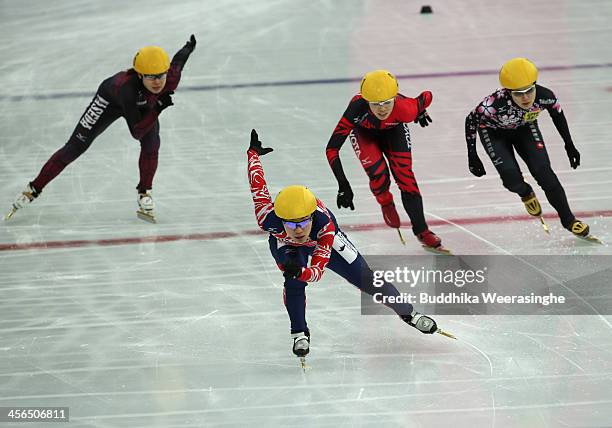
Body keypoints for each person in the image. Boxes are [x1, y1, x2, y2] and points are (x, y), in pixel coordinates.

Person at [247, 129, 439, 359]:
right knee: (293, 281)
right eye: (290, 223)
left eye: (303, 222)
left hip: (321, 240)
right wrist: (253, 154)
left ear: (312, 217)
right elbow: (258, 186)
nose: (298, 230)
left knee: (365, 277)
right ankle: (299, 333)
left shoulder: (325, 225)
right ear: (280, 219)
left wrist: (304, 270)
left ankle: (410, 314)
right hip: (285, 245)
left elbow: (317, 270)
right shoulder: (267, 217)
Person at [5, 35, 197, 223]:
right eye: (151, 77)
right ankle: (33, 188)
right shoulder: (127, 89)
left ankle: (144, 191)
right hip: (110, 100)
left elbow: (178, 62)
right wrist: (156, 109)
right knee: (76, 146)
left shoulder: (169, 79)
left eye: (160, 76)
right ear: (140, 75)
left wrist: (188, 48)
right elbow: (136, 131)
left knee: (152, 142)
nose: (157, 82)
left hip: (141, 104)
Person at [465, 57, 591, 238]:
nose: (525, 97)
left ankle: (569, 220)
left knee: (545, 173)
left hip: (524, 129)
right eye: (518, 93)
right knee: (511, 179)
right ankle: (526, 192)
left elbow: (558, 116)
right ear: (508, 92)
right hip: (493, 133)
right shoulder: (492, 104)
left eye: (529, 91)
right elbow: (470, 121)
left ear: (535, 86)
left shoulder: (544, 95)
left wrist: (569, 145)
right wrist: (472, 154)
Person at [325, 69, 447, 253]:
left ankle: (422, 230)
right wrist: (343, 184)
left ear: (395, 99)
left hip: (394, 131)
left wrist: (420, 110)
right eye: (375, 104)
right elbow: (332, 149)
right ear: (366, 102)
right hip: (364, 133)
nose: (382, 109)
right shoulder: (356, 110)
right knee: (378, 173)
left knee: (406, 178)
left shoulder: (406, 109)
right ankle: (385, 201)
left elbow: (426, 96)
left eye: (387, 103)